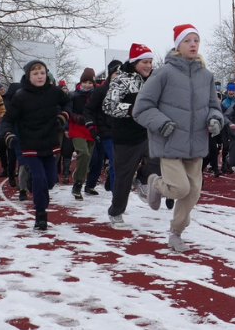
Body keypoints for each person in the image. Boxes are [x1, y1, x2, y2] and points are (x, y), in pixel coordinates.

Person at [134, 24, 225, 252]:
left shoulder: (206, 75)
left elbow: (214, 106)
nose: (193, 44)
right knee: (180, 189)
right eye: (188, 40)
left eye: (196, 40)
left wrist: (215, 119)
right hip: (170, 142)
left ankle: (176, 233)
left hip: (196, 145)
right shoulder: (163, 73)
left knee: (192, 194)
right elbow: (142, 107)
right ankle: (154, 182)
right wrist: (161, 122)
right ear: (178, 45)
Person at [0, 59, 72, 230]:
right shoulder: (20, 96)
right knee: (40, 179)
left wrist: (63, 115)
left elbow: (68, 102)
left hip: (50, 142)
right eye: (35, 73)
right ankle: (40, 215)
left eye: (42, 73)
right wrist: (8, 134)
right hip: (29, 143)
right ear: (28, 76)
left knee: (51, 180)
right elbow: (7, 119)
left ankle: (35, 183)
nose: (40, 76)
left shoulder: (54, 91)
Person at [104, 44, 157, 228]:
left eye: (150, 61)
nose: (149, 65)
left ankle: (142, 178)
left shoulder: (154, 79)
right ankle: (116, 212)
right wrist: (131, 109)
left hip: (147, 133)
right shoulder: (121, 80)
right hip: (125, 137)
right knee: (123, 178)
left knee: (160, 160)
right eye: (145, 62)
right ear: (134, 62)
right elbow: (108, 106)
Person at [84, 59, 122, 194]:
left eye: (121, 73)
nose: (119, 76)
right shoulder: (101, 90)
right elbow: (88, 110)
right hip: (105, 131)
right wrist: (91, 127)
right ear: (110, 74)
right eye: (116, 73)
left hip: (121, 132)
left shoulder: (125, 90)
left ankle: (111, 182)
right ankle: (116, 195)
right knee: (113, 161)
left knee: (117, 162)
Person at [65, 68, 97, 199]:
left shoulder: (96, 95)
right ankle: (78, 183)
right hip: (76, 127)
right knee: (83, 153)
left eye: (90, 82)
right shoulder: (73, 95)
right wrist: (67, 126)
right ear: (81, 81)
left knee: (87, 158)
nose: (87, 85)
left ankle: (80, 178)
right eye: (85, 82)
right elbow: (67, 110)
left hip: (91, 128)